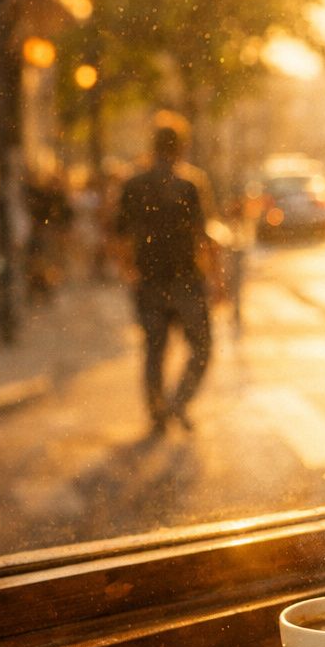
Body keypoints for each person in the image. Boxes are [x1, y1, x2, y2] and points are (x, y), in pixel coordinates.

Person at [112, 112, 215, 435]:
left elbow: (118, 234)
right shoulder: (190, 184)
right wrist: (216, 278)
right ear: (181, 147)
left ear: (153, 146)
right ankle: (179, 401)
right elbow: (203, 236)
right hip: (186, 278)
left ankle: (157, 410)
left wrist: (129, 269)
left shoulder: (133, 184)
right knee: (201, 347)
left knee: (154, 349)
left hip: (149, 279)